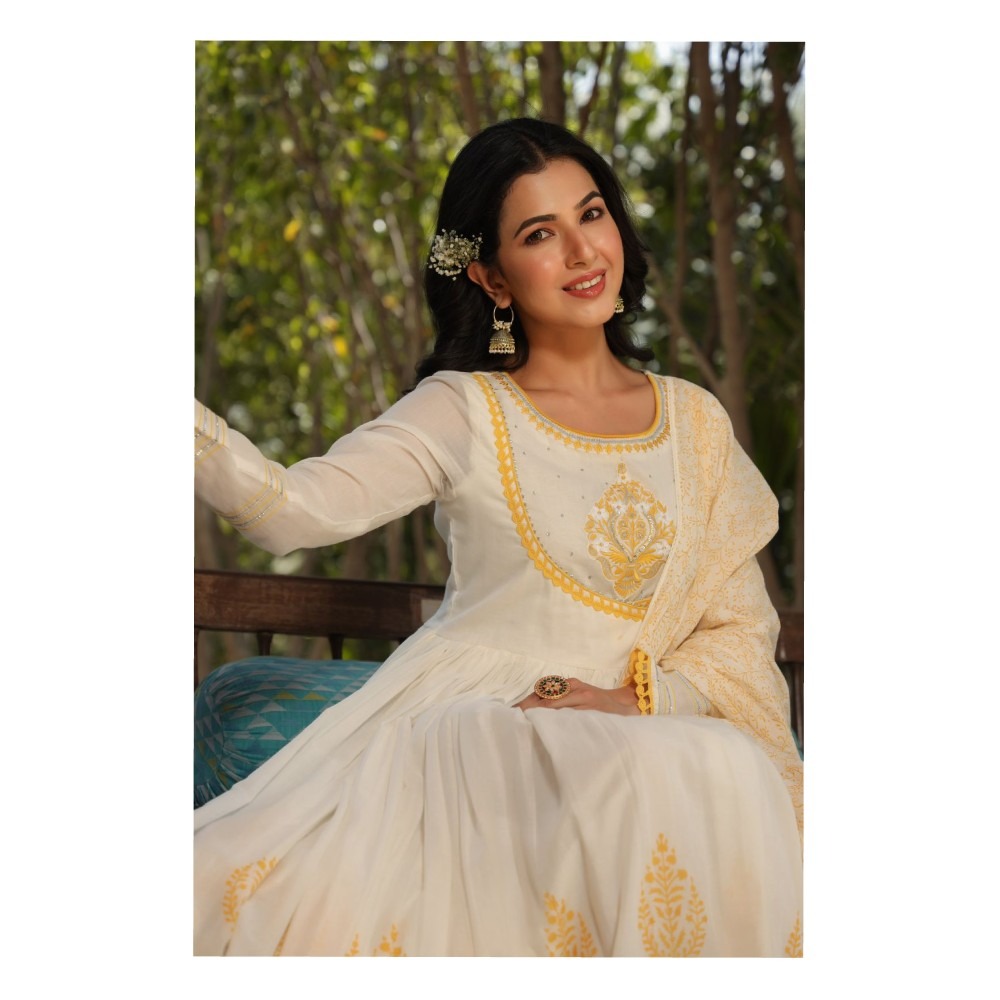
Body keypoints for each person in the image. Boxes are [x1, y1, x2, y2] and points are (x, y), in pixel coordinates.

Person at [193, 117, 803, 957]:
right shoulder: (466, 409)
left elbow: (738, 630)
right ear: (491, 276)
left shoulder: (694, 422)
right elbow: (297, 511)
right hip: (488, 728)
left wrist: (635, 701)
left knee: (708, 768)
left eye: (592, 214)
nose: (583, 252)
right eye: (540, 234)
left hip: (646, 723)